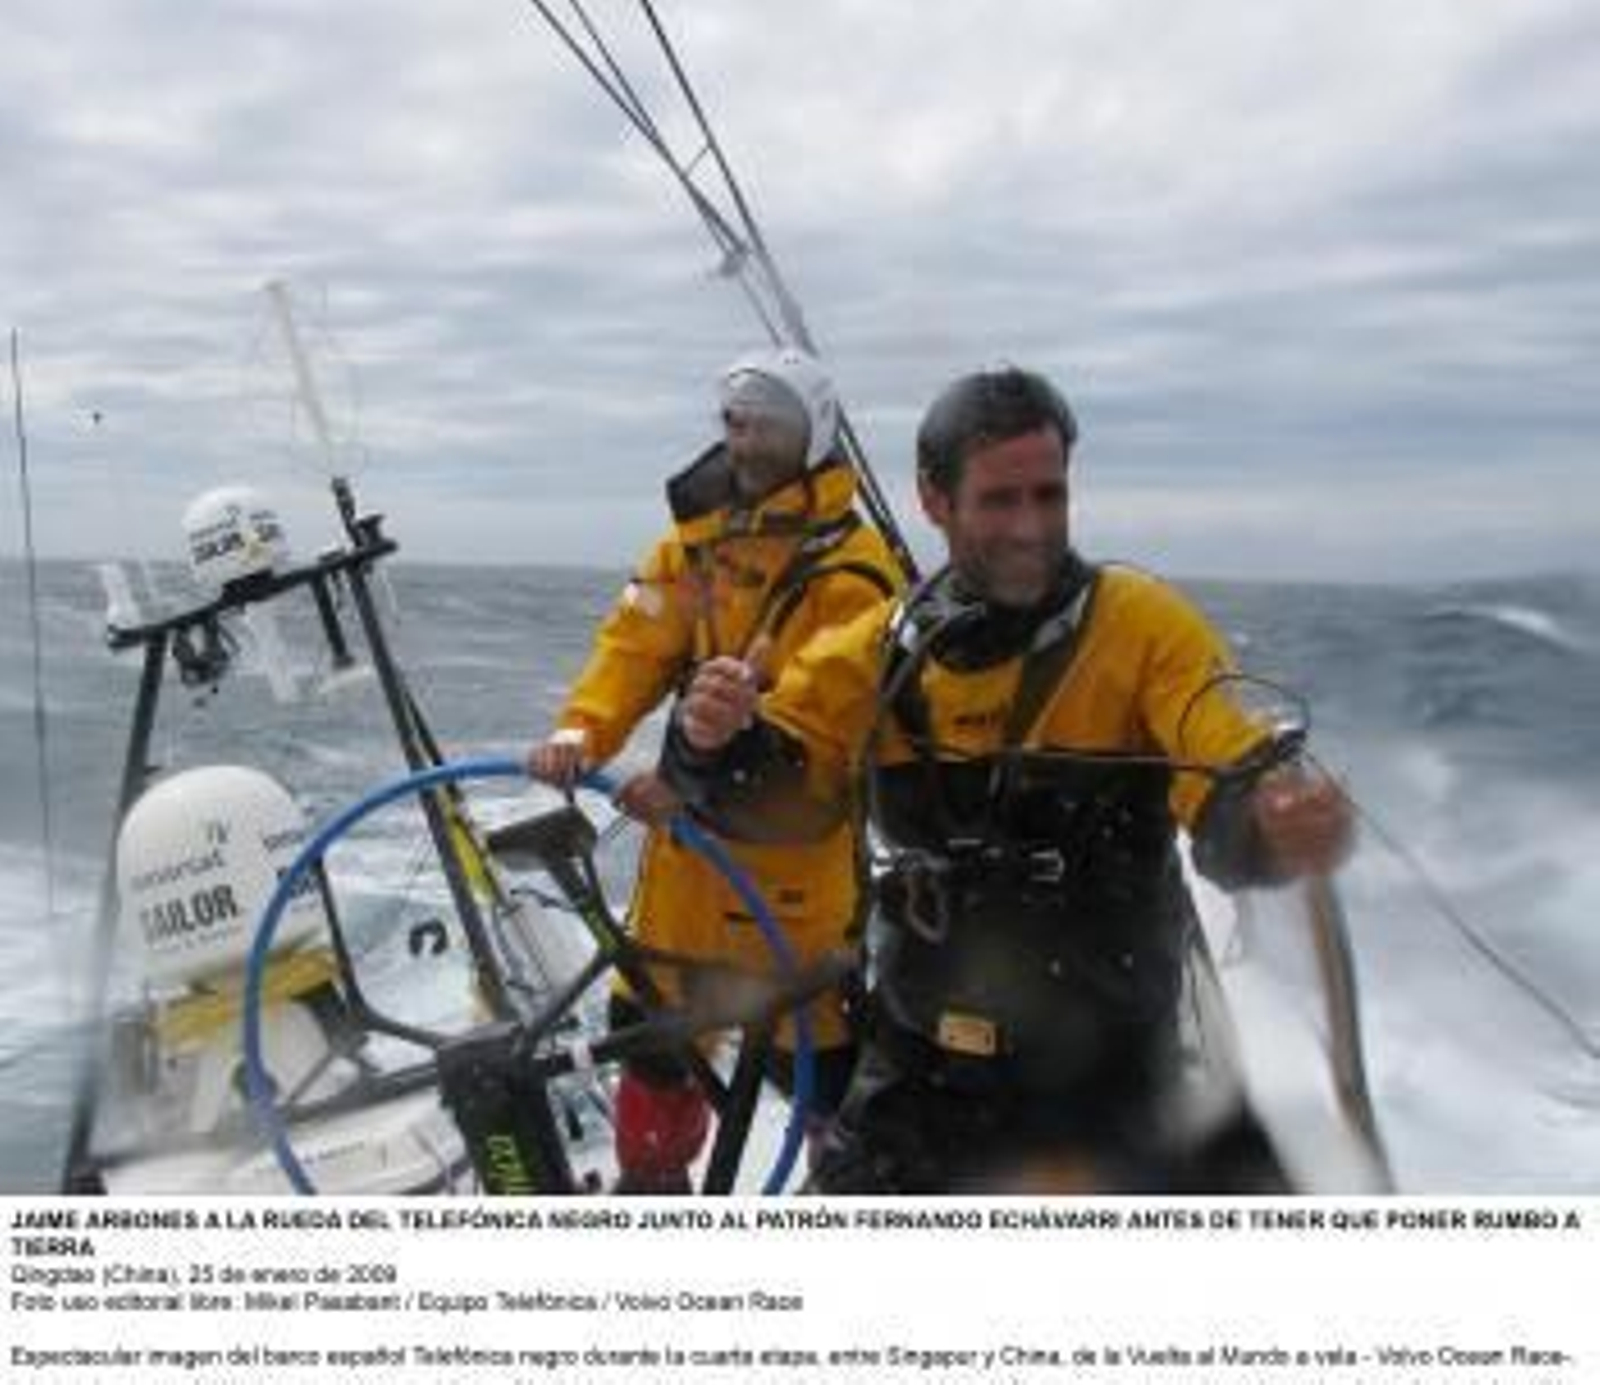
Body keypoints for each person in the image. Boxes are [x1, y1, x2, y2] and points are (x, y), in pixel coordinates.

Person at [664, 364, 1355, 1193]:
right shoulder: (878, 651)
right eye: (999, 500)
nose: (1030, 527)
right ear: (934, 499)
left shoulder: (1140, 627)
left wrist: (1268, 822)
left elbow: (1223, 769)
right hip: (920, 1074)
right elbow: (775, 798)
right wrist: (712, 738)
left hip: (1107, 1085)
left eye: (1048, 495)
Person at [527, 347, 904, 1192]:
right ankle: (654, 1193)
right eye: (738, 420)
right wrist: (582, 732)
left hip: (789, 890)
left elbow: (815, 730)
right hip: (683, 880)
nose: (748, 439)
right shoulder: (690, 548)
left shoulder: (853, 572)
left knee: (827, 1090)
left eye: (771, 424)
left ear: (815, 435)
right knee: (653, 1053)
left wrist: (686, 782)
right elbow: (634, 646)